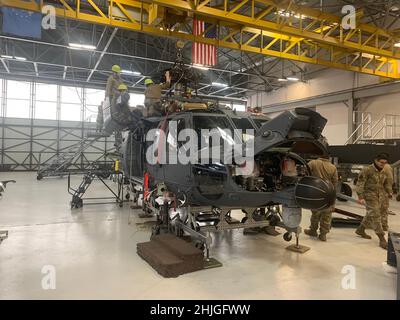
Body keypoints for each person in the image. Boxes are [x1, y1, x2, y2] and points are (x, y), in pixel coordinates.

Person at [355, 153, 393, 249]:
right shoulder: (367, 170)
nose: (382, 164)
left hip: (379, 195)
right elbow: (360, 184)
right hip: (368, 195)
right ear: (376, 160)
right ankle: (382, 238)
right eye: (381, 162)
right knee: (375, 215)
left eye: (385, 163)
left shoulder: (384, 171)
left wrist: (389, 192)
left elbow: (386, 183)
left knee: (371, 213)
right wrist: (360, 196)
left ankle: (360, 229)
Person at [304, 155, 338, 241]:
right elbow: (335, 181)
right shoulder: (333, 167)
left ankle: (313, 231)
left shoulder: (313, 162)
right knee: (327, 215)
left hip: (316, 192)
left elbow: (304, 171)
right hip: (329, 193)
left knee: (315, 213)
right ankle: (323, 234)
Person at [382, 163, 394, 231]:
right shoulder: (387, 167)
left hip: (378, 191)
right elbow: (389, 179)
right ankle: (383, 225)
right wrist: (389, 191)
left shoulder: (373, 166)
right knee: (383, 209)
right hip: (382, 191)